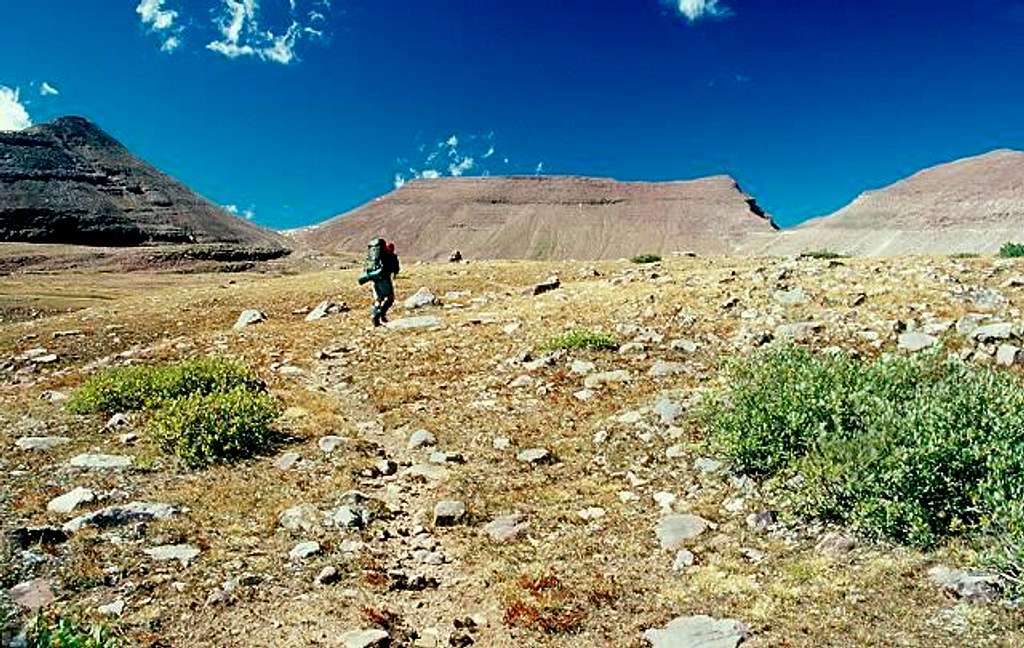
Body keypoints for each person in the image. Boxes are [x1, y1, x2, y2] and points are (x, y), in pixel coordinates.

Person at [357, 237, 399, 327]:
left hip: (374, 279)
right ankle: (380, 315)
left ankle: (375, 315)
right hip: (384, 279)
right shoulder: (390, 256)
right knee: (390, 298)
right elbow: (395, 268)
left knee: (378, 299)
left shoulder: (374, 256)